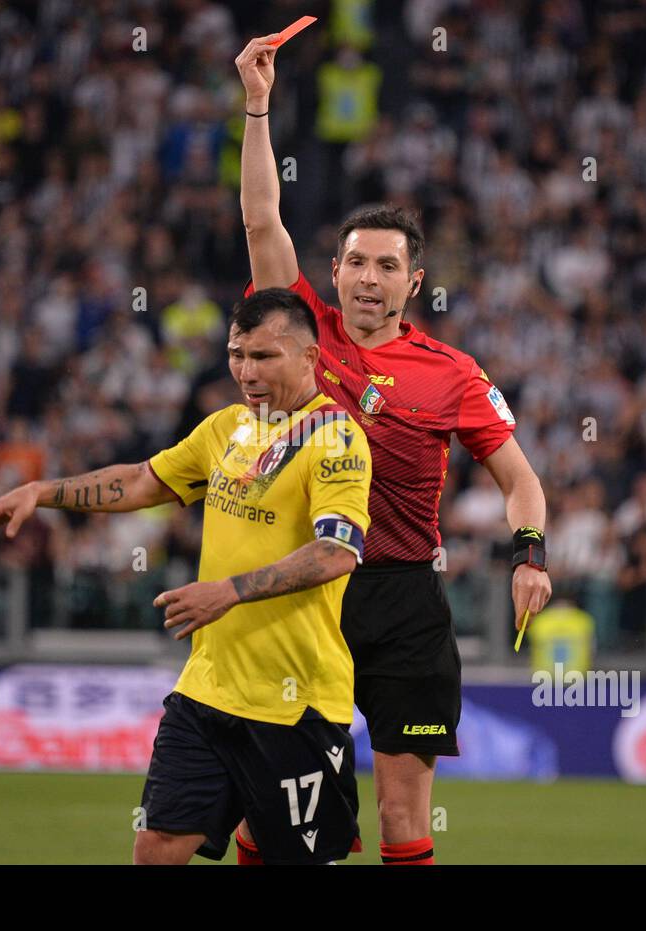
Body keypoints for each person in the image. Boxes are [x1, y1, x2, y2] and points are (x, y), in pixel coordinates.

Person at [234, 34, 553, 865]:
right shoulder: (303, 333)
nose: (367, 277)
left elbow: (521, 479)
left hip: (406, 602)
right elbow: (262, 219)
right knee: (283, 815)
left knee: (404, 819)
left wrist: (530, 554)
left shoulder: (453, 373)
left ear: (415, 281)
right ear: (333, 272)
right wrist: (258, 105)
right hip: (309, 593)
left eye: (387, 265)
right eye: (354, 262)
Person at [0, 288, 373, 865]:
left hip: (295, 705)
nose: (246, 372)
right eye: (237, 355)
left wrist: (228, 592)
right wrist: (43, 491)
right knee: (155, 848)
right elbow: (140, 481)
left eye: (264, 357)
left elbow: (336, 551)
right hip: (207, 690)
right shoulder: (226, 428)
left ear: (309, 358)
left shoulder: (337, 439)